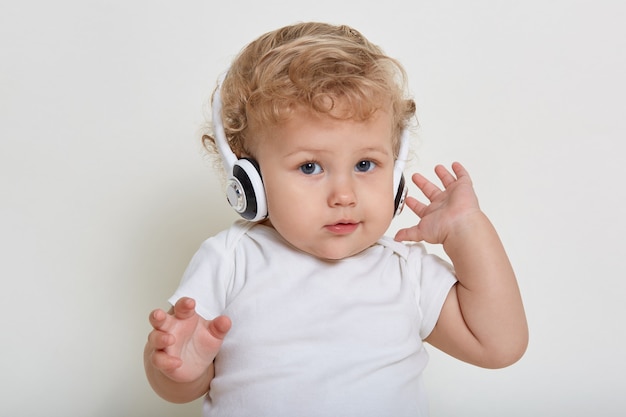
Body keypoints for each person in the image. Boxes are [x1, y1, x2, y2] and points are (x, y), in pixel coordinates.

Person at [144, 22, 528, 417]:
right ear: (250, 180)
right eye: (310, 167)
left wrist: (468, 230)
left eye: (365, 164)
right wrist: (180, 369)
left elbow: (499, 346)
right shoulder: (231, 259)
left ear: (394, 174)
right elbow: (177, 386)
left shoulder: (405, 272)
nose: (344, 195)